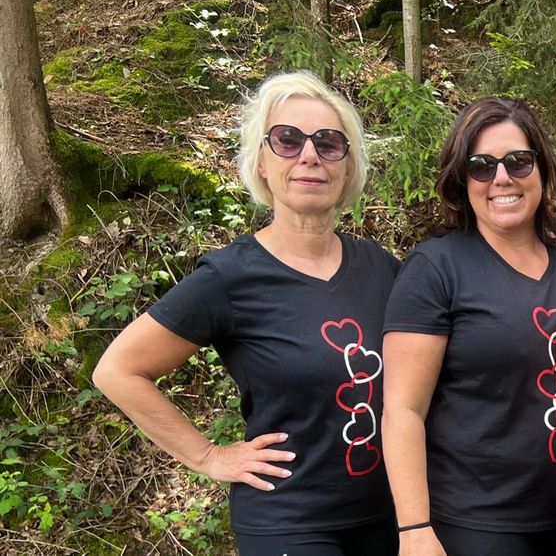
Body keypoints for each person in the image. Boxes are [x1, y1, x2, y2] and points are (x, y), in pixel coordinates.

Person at [92, 71, 400, 555]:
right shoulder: (230, 277)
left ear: (347, 165)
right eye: (287, 139)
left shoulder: (381, 267)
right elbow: (118, 370)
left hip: (391, 515)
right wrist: (207, 455)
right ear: (260, 160)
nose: (309, 155)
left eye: (329, 142)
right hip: (289, 522)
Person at [381, 98, 556, 556]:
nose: (502, 177)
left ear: (542, 169)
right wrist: (413, 529)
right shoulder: (436, 269)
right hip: (478, 524)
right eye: (481, 166)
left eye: (518, 161)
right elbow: (402, 410)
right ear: (461, 180)